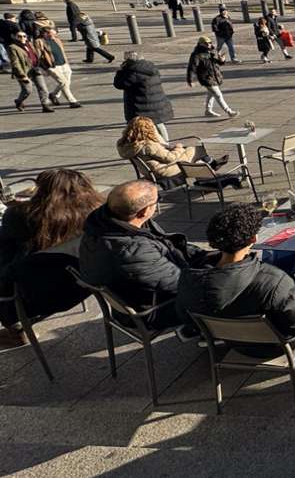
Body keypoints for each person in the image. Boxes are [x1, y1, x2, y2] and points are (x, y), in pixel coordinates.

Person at [175, 203, 295, 362]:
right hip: (276, 346)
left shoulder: (189, 278)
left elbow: (187, 319)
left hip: (233, 343)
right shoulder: (271, 279)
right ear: (253, 239)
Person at [78, 180, 207, 328]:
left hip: (140, 291)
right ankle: (201, 330)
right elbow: (183, 284)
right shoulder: (132, 252)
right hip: (152, 310)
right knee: (219, 292)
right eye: (157, 201)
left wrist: (206, 256)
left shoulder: (105, 223)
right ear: (144, 211)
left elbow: (165, 244)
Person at [0, 169, 104, 347]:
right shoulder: (98, 213)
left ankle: (16, 329)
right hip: (82, 285)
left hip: (31, 296)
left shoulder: (23, 216)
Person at [118, 115, 225, 186]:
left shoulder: (128, 145)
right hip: (164, 171)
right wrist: (178, 147)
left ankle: (206, 175)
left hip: (151, 171)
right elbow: (171, 158)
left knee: (189, 152)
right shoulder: (148, 145)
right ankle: (211, 168)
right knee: (195, 150)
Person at [114, 53, 174, 141]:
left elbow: (119, 84)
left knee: (136, 126)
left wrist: (120, 71)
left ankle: (139, 145)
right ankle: (166, 143)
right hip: (156, 103)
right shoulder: (150, 67)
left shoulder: (133, 72)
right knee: (158, 124)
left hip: (139, 105)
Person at [187, 36, 238, 118]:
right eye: (206, 43)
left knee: (211, 94)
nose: (209, 44)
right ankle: (229, 111)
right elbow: (191, 67)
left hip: (214, 76)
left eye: (210, 42)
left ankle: (208, 110)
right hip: (206, 78)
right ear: (201, 44)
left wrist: (222, 60)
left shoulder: (210, 52)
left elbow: (217, 63)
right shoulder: (196, 55)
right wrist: (190, 80)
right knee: (218, 95)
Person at [9, 30, 53, 113]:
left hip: (35, 69)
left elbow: (36, 55)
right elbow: (15, 62)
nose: (22, 38)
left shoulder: (29, 44)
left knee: (43, 87)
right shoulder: (13, 47)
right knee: (27, 90)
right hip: (23, 71)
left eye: (24, 36)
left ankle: (45, 105)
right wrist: (21, 75)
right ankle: (19, 101)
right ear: (15, 37)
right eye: (19, 36)